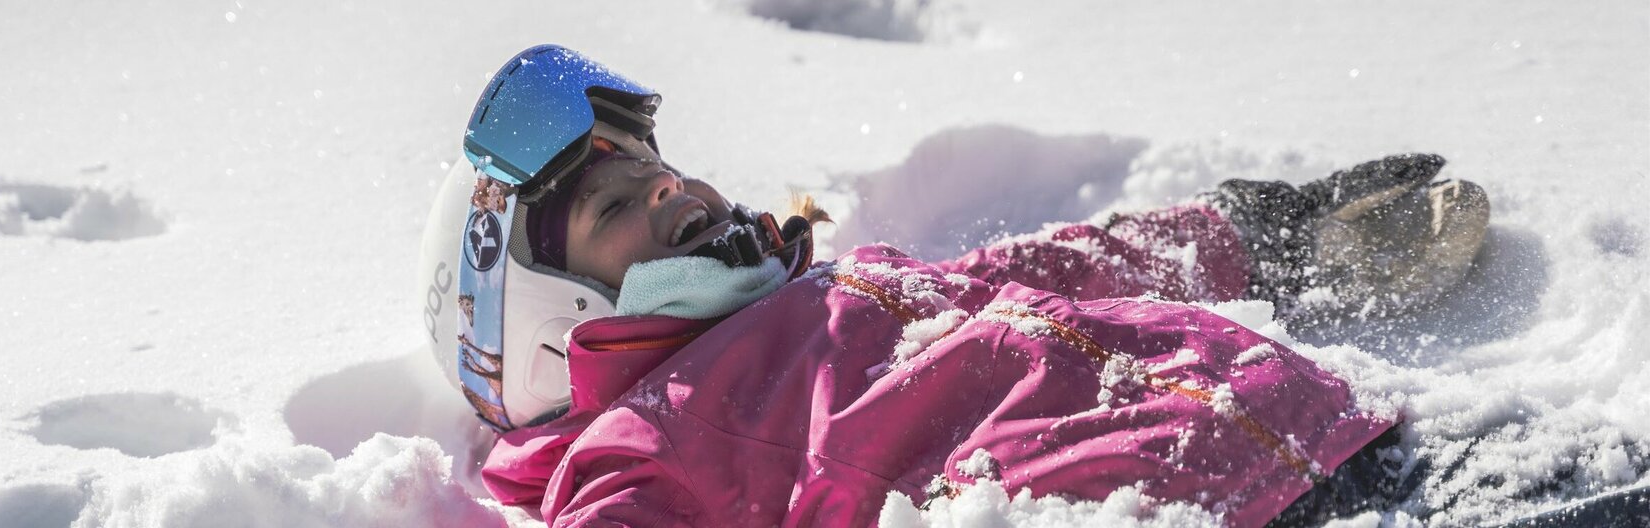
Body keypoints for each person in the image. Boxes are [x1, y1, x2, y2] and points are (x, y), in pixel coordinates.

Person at [415, 45, 1490, 527]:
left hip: (1345, 440)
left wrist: (1257, 234)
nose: (668, 187)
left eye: (657, 168)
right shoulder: (638, 447)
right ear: (546, 319)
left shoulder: (840, 287)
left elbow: (1047, 271)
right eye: (613, 204)